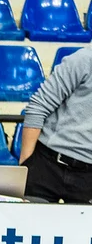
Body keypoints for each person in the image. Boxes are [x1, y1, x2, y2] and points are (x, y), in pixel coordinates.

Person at [18, 46, 92, 203]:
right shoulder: (84, 59)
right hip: (47, 163)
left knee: (81, 229)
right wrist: (26, 166)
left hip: (88, 176)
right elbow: (38, 107)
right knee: (28, 225)